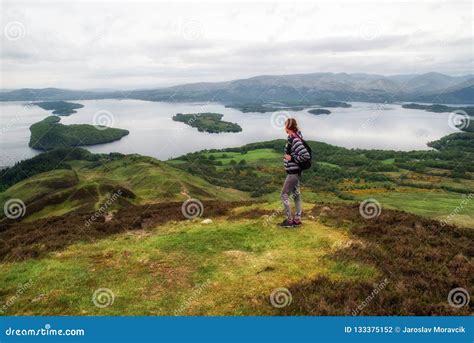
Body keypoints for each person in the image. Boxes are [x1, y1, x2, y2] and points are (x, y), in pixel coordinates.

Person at [280, 118, 310, 228]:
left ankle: (289, 221)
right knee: (296, 196)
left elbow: (305, 156)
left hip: (293, 173)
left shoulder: (296, 140)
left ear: (289, 127)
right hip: (295, 173)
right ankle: (297, 220)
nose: (284, 128)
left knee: (283, 195)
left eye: (285, 126)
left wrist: (291, 158)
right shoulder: (292, 138)